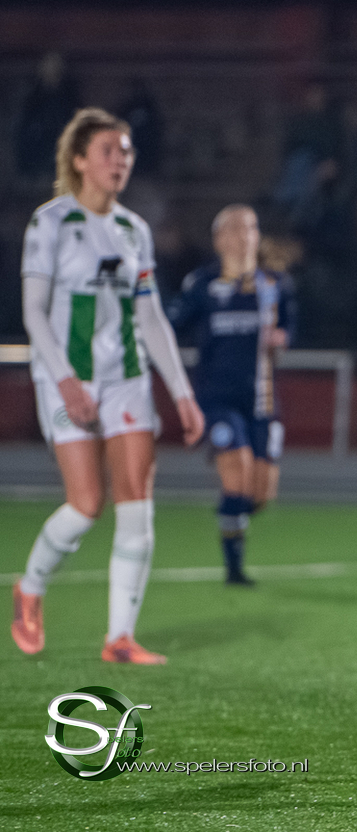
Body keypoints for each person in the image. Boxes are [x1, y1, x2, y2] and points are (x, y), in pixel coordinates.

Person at [11, 107, 204, 664]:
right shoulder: (50, 223)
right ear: (79, 160)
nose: (120, 160)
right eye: (108, 151)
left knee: (137, 502)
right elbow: (34, 312)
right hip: (66, 377)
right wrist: (66, 380)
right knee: (86, 503)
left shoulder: (133, 230)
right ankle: (31, 588)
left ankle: (120, 637)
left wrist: (182, 392)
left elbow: (150, 318)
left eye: (126, 152)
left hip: (127, 379)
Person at [167, 205, 296, 586]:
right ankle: (234, 570)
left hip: (262, 402)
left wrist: (283, 337)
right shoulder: (203, 284)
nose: (244, 236)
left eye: (251, 228)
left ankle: (230, 515)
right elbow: (171, 322)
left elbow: (291, 326)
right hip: (217, 400)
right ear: (219, 239)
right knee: (236, 478)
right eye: (236, 229)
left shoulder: (275, 284)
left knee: (259, 496)